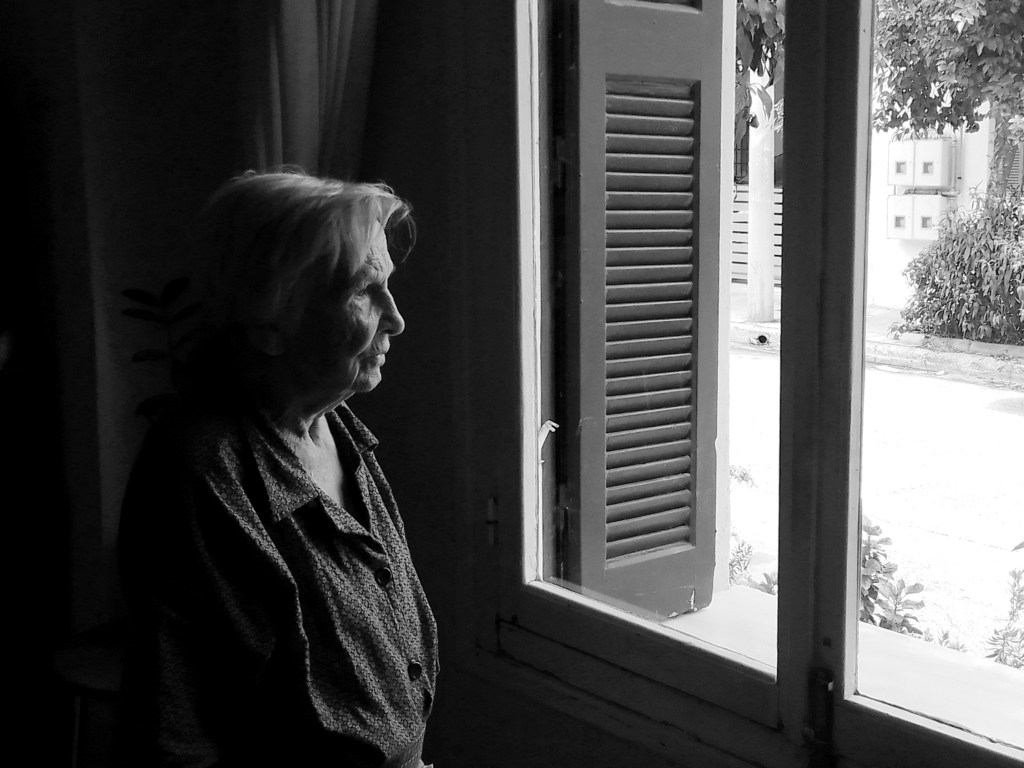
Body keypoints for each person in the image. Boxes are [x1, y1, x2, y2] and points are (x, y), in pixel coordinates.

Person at [116, 170, 437, 767]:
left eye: (388, 286)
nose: (395, 319)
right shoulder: (203, 468)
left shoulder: (336, 426)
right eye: (364, 291)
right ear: (269, 319)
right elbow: (179, 732)